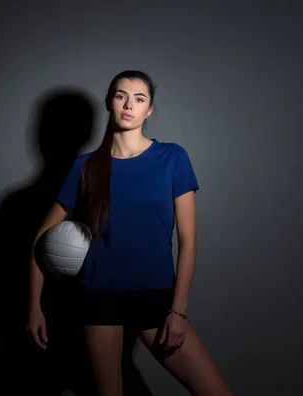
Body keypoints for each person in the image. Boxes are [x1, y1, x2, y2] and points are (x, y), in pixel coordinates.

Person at [28, 70, 234, 396]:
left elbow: (189, 242)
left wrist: (178, 310)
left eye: (139, 99)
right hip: (99, 300)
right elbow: (42, 239)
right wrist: (34, 306)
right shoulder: (86, 166)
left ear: (149, 109)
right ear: (110, 102)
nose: (129, 104)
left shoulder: (172, 158)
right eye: (121, 95)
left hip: (154, 297)